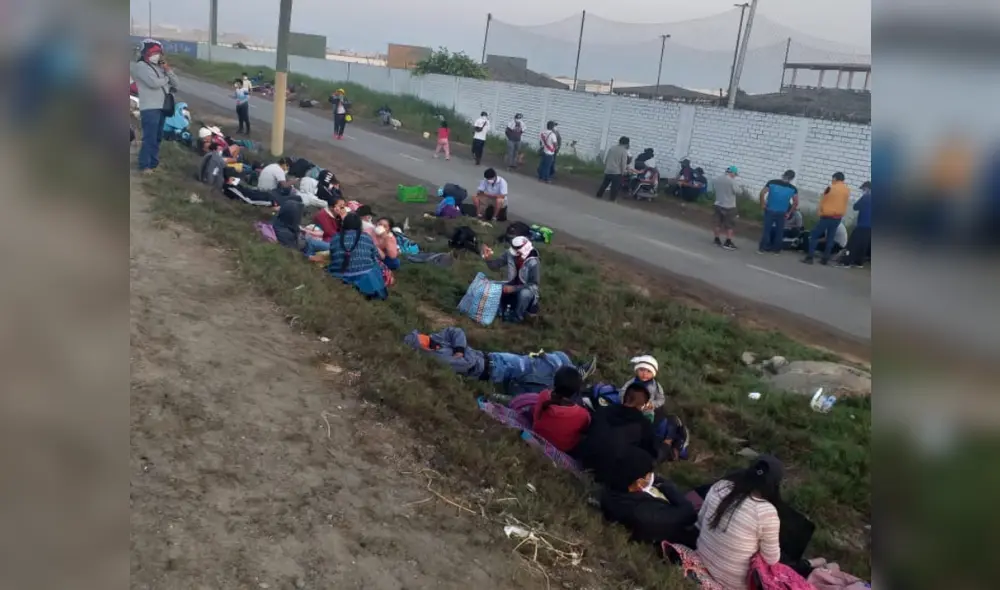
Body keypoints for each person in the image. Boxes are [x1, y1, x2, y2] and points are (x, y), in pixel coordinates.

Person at [403, 327, 593, 394]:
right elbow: (466, 363)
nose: (426, 337)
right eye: (422, 339)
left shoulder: (436, 340)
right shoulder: (438, 357)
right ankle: (576, 380)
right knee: (540, 368)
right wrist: (462, 351)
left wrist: (459, 349)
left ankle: (574, 376)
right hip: (495, 370)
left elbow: (455, 331)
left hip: (494, 357)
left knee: (557, 358)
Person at [696, 455, 784, 590]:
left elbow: (700, 521)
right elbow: (771, 560)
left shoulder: (720, 486)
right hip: (732, 584)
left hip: (702, 560)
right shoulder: (766, 512)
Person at [597, 446, 698, 546]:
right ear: (639, 483)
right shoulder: (647, 514)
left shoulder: (614, 489)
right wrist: (668, 488)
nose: (652, 476)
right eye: (649, 474)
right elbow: (689, 514)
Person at [130, 39, 179, 174]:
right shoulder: (141, 66)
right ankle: (145, 165)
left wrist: (168, 70)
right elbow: (153, 83)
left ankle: (153, 163)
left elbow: (176, 83)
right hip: (150, 107)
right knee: (149, 137)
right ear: (146, 53)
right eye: (153, 53)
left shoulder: (160, 67)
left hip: (162, 106)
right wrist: (166, 79)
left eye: (158, 53)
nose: (156, 55)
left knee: (157, 137)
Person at [326, 213, 387, 299]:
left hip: (339, 275)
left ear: (344, 224)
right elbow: (376, 256)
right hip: (365, 276)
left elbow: (333, 256)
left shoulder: (335, 238)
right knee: (376, 264)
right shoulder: (366, 237)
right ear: (360, 225)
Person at [482, 235, 540, 323]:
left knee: (524, 294)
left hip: (526, 289)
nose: (516, 255)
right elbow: (495, 265)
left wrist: (514, 288)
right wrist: (487, 258)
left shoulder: (533, 261)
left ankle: (518, 317)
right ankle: (499, 311)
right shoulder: (510, 254)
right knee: (490, 285)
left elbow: (533, 285)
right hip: (511, 284)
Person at [531, 367, 589, 453]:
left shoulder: (544, 395)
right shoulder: (583, 414)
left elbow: (536, 418)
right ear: (576, 392)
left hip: (536, 436)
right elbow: (585, 431)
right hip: (562, 449)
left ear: (554, 384)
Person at [803, 172, 851, 265]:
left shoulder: (830, 188)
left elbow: (823, 200)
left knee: (814, 235)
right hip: (838, 218)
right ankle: (825, 259)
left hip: (827, 216)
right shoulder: (847, 190)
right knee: (830, 238)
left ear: (835, 178)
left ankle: (810, 257)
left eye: (833, 178)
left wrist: (820, 212)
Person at [759, 170, 800, 254]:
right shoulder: (793, 189)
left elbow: (762, 193)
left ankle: (762, 248)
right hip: (782, 212)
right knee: (779, 232)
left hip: (770, 210)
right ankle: (776, 250)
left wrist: (763, 204)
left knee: (767, 230)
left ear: (783, 175)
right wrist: (789, 213)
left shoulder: (772, 182)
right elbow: (796, 202)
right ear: (792, 178)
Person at [839, 181, 872, 268]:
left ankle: (846, 262)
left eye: (863, 189)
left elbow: (855, 207)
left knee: (852, 244)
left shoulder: (866, 197)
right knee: (863, 244)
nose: (863, 191)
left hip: (862, 224)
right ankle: (859, 263)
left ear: (867, 189)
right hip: (870, 227)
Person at [712, 166, 742, 251]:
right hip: (729, 206)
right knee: (729, 225)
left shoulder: (718, 179)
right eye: (735, 174)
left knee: (717, 223)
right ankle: (728, 242)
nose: (735, 176)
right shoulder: (732, 181)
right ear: (732, 173)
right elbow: (738, 192)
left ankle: (716, 240)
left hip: (718, 204)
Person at [598, 136, 630, 201]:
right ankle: (612, 199)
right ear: (626, 143)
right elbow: (623, 163)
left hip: (608, 169)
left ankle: (598, 195)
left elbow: (607, 158)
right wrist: (623, 172)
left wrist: (606, 167)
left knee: (604, 184)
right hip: (616, 172)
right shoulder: (624, 151)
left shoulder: (612, 148)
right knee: (614, 187)